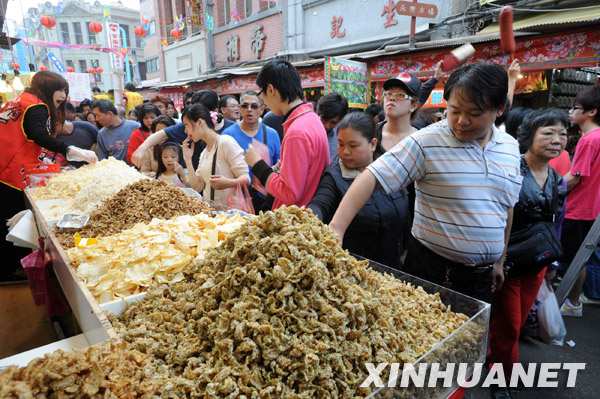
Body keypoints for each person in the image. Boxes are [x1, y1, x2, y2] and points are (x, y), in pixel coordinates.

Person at [328, 64, 523, 302]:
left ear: (499, 109)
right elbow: (371, 177)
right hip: (432, 272)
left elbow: (507, 206)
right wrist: (336, 229)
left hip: (482, 276)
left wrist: (499, 261)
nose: (461, 121)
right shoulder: (427, 141)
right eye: (454, 110)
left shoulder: (510, 147)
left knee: (472, 337)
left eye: (474, 114)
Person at [488, 108, 568, 399]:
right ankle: (501, 380)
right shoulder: (511, 169)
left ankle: (497, 358)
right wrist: (496, 260)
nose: (556, 140)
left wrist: (552, 264)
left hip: (536, 264)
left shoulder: (559, 181)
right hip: (507, 263)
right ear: (529, 136)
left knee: (517, 322)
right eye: (548, 132)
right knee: (509, 323)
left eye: (562, 133)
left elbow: (555, 225)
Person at [0, 71, 97, 284]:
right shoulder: (37, 105)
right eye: (59, 89)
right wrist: (71, 149)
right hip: (8, 172)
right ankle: (10, 270)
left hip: (5, 165)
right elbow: (39, 135)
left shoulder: (19, 100)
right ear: (46, 87)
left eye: (65, 91)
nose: (63, 95)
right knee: (9, 222)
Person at [308, 112, 410, 267]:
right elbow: (320, 202)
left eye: (353, 146)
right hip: (354, 271)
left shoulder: (391, 172)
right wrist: (308, 217)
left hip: (392, 269)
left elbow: (406, 213)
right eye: (341, 144)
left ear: (373, 144)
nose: (345, 152)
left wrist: (405, 250)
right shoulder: (334, 177)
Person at [244, 59, 330, 210]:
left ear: (271, 90)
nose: (263, 101)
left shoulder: (296, 132)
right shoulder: (312, 119)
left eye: (261, 94)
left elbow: (289, 193)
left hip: (295, 219)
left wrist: (258, 165)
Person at [560, 84, 600, 317]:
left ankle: (573, 302)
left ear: (591, 112)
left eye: (576, 108)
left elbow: (575, 178)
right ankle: (573, 301)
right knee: (579, 257)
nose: (571, 112)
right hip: (590, 208)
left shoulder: (589, 140)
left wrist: (549, 189)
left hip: (577, 208)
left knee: (574, 259)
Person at [131, 90, 234, 171]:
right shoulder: (188, 127)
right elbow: (162, 134)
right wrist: (142, 148)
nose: (186, 130)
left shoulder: (230, 131)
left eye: (200, 112)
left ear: (215, 111)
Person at [222, 90, 281, 211]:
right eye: (245, 105)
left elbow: (279, 163)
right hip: (238, 199)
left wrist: (276, 167)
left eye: (254, 106)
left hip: (265, 198)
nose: (249, 109)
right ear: (239, 108)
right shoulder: (227, 135)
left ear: (262, 109)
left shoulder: (271, 134)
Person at [181, 104, 250, 205]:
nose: (185, 130)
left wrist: (228, 183)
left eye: (186, 124)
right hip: (213, 214)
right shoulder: (205, 152)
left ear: (200, 122)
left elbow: (246, 179)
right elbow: (197, 187)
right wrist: (188, 160)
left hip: (232, 214)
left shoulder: (225, 142)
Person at [377, 72, 422, 151]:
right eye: (388, 93)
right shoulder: (370, 134)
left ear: (414, 105)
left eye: (401, 95)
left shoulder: (421, 140)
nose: (392, 98)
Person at [93, 99, 140, 163]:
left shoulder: (135, 127)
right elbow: (103, 160)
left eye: (98, 115)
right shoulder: (102, 134)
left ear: (110, 114)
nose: (97, 119)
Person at [316, 92, 349, 163]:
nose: (327, 126)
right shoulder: (308, 133)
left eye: (333, 122)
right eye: (324, 120)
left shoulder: (342, 136)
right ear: (318, 113)